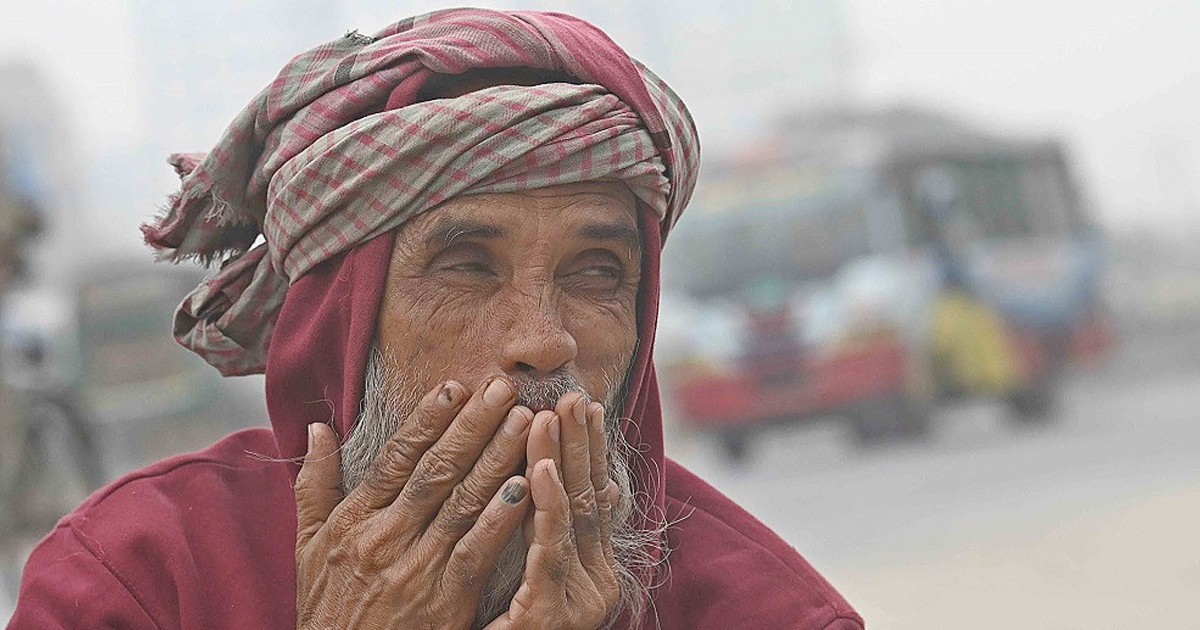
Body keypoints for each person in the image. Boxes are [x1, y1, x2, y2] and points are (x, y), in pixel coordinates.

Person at [8, 9, 863, 630]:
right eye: (466, 267)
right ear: (344, 320)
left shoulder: (765, 610)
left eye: (596, 272)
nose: (542, 339)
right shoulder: (138, 581)